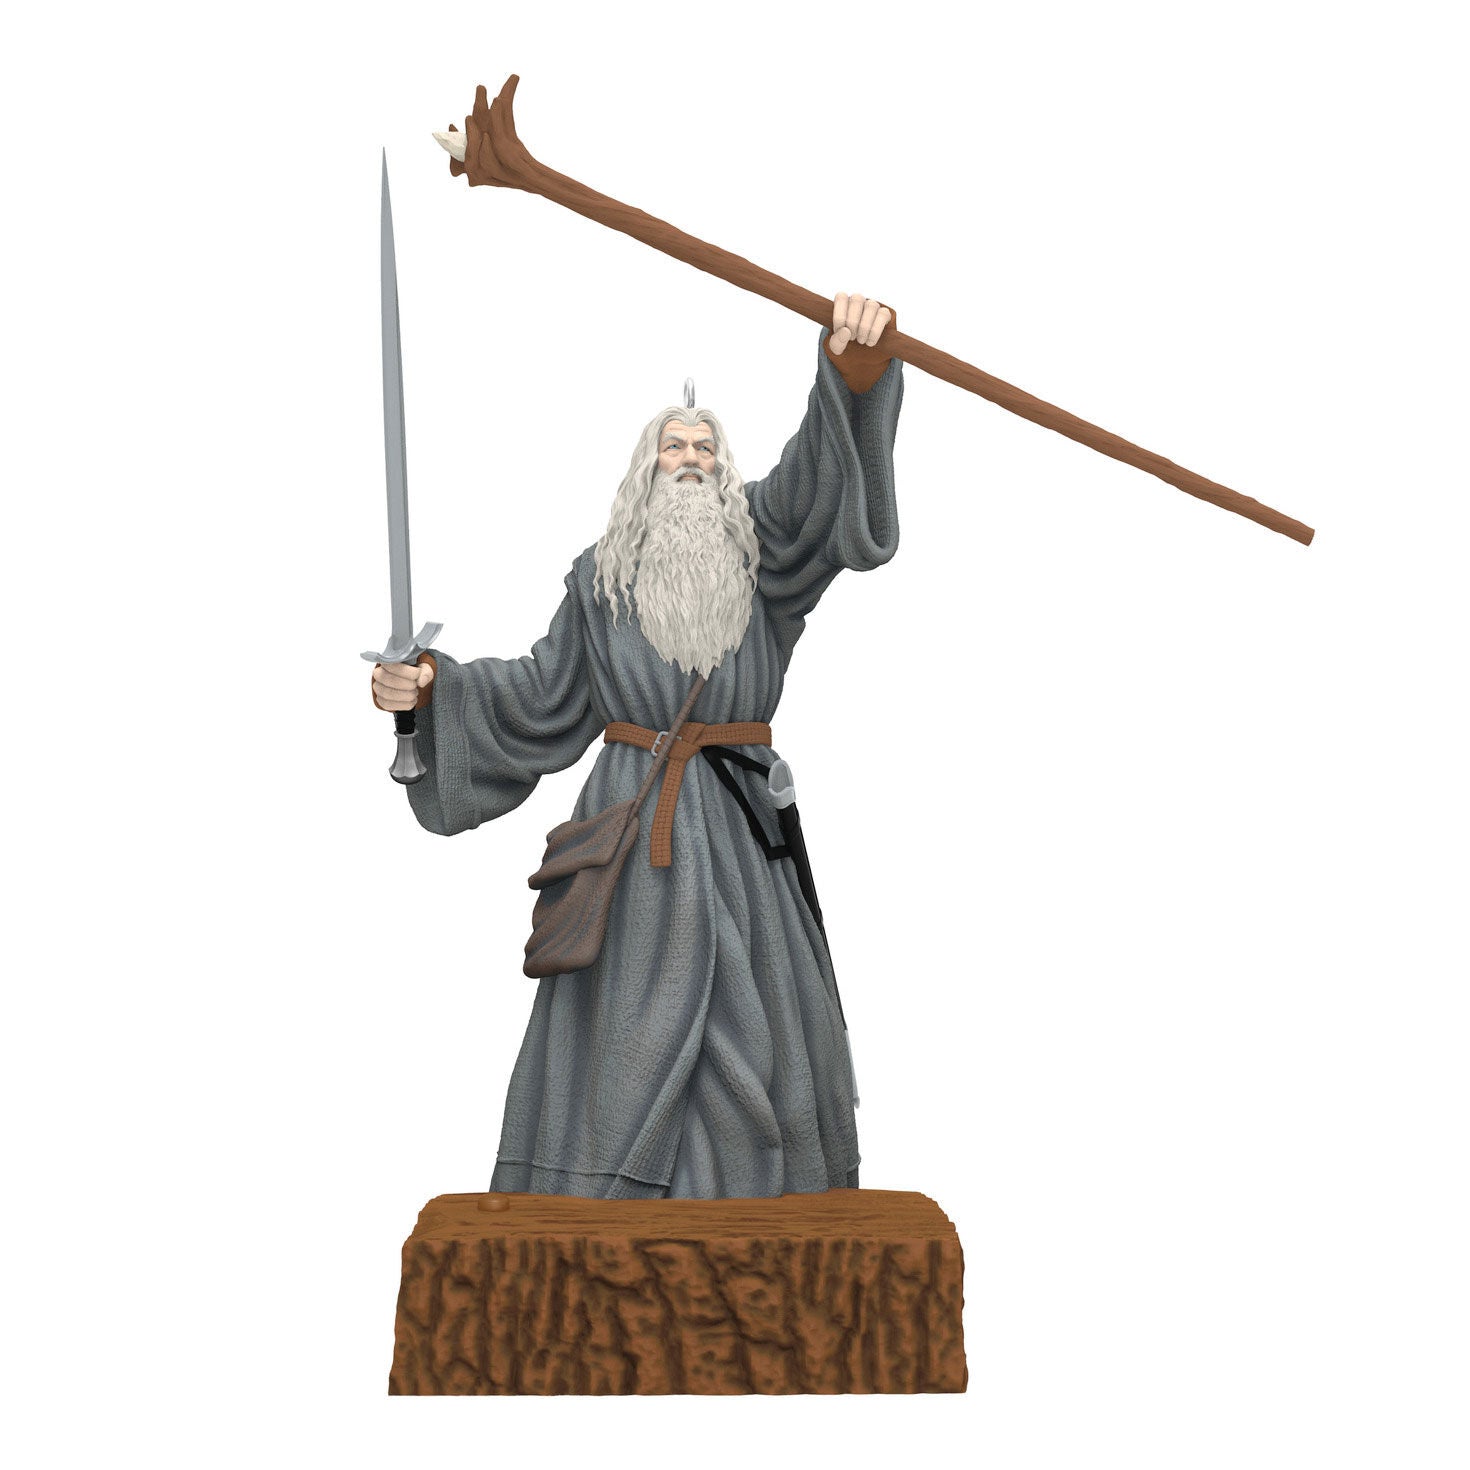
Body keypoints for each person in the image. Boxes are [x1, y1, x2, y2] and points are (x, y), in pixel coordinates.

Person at [372, 294, 902, 1198]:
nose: (691, 459)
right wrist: (432, 691)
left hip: (739, 831)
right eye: (674, 447)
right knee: (626, 1033)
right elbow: (542, 694)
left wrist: (853, 373)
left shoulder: (764, 558)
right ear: (645, 469)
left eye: (706, 449)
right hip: (635, 840)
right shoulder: (599, 582)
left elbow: (818, 488)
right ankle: (602, 1205)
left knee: (756, 1024)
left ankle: (758, 1211)